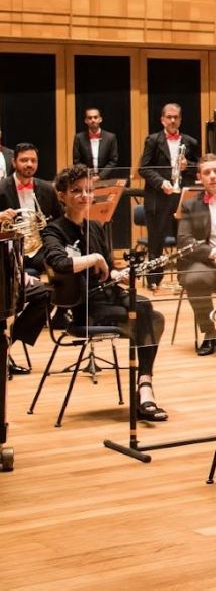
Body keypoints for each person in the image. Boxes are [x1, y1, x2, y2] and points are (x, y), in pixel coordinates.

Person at [43, 164, 168, 421]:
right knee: (147, 314)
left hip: (107, 297)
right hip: (83, 306)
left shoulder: (96, 227)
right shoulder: (53, 230)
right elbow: (59, 263)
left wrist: (117, 273)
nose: (84, 196)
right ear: (62, 195)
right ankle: (145, 390)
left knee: (150, 313)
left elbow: (107, 270)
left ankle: (144, 383)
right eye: (76, 191)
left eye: (88, 190)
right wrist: (95, 258)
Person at [176, 154, 216, 356]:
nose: (212, 176)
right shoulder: (190, 205)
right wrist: (211, 251)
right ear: (199, 177)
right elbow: (184, 239)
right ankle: (210, 332)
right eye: (207, 172)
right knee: (194, 278)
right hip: (208, 262)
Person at [137, 103, 200, 290]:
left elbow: (199, 166)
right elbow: (144, 168)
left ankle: (184, 280)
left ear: (180, 119)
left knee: (184, 240)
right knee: (156, 241)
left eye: (176, 117)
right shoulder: (153, 140)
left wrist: (187, 165)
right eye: (169, 117)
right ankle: (154, 281)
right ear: (162, 119)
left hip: (181, 198)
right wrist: (160, 182)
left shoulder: (190, 142)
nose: (173, 120)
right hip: (159, 198)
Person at [0, 143, 63, 274]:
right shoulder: (1, 188)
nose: (29, 164)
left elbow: (60, 219)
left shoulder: (47, 188)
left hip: (40, 249)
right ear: (13, 162)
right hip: (11, 250)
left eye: (33, 160)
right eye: (24, 160)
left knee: (63, 265)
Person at [71, 107, 120, 178]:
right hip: (86, 178)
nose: (93, 120)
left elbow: (113, 161)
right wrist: (87, 174)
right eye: (90, 118)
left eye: (95, 117)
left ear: (100, 119)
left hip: (105, 179)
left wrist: (100, 176)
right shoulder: (79, 138)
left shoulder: (110, 137)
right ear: (86, 121)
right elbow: (77, 161)